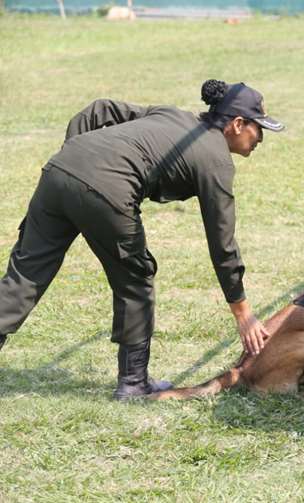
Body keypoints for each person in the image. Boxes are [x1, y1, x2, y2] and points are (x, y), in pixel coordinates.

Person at [0, 79, 283, 399]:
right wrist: (243, 313)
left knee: (25, 275)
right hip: (106, 187)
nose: (261, 137)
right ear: (237, 124)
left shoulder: (173, 115)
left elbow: (99, 109)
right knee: (135, 277)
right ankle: (133, 383)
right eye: (259, 129)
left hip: (59, 170)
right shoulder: (215, 160)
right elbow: (223, 243)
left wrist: (78, 157)